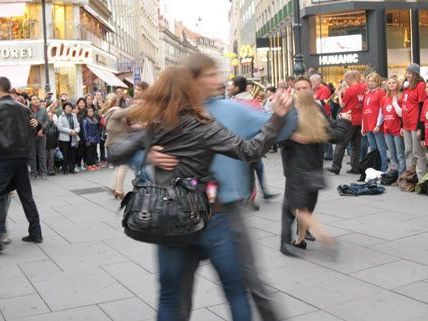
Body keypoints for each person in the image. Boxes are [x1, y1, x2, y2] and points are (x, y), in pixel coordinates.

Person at [127, 66, 293, 321]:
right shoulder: (184, 120)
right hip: (194, 215)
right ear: (192, 83)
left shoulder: (225, 111)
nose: (218, 80)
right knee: (203, 293)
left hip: (202, 213)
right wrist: (146, 156)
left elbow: (117, 148)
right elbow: (250, 149)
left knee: (235, 286)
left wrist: (286, 113)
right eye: (209, 75)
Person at [280, 77, 351, 252]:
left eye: (306, 88)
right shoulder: (288, 111)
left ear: (312, 89)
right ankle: (291, 241)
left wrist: (342, 121)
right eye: (298, 88)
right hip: (295, 166)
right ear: (293, 90)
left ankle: (302, 238)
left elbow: (332, 134)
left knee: (307, 206)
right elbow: (274, 134)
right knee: (294, 206)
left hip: (313, 164)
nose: (302, 91)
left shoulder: (317, 108)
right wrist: (292, 136)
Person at [0, 76, 43, 245]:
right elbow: (35, 130)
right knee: (26, 196)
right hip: (22, 156)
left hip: (4, 156)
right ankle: (36, 232)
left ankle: (1, 233)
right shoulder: (23, 108)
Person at [326, 70, 366, 175]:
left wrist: (339, 94)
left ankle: (336, 166)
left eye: (345, 79)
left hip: (348, 119)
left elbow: (342, 105)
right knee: (356, 145)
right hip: (359, 119)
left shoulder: (351, 90)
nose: (345, 81)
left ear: (349, 79)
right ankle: (355, 167)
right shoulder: (363, 87)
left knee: (341, 142)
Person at [401, 64, 427, 182]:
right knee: (408, 151)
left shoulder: (420, 86)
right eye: (407, 73)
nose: (408, 75)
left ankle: (421, 179)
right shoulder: (406, 87)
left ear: (416, 74)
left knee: (418, 152)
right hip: (406, 124)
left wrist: (419, 127)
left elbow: (422, 107)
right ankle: (410, 177)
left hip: (414, 124)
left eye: (410, 73)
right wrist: (402, 125)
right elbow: (404, 106)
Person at [379, 76, 406, 174]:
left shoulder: (401, 97)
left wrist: (395, 103)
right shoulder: (384, 99)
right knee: (392, 155)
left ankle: (401, 175)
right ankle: (394, 174)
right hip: (387, 130)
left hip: (397, 129)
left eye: (393, 82)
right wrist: (378, 125)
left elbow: (403, 114)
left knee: (400, 154)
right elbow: (382, 114)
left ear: (397, 84)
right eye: (389, 83)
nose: (391, 84)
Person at [362, 73, 388, 172]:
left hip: (377, 125)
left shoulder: (381, 92)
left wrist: (378, 124)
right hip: (368, 125)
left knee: (381, 148)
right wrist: (363, 126)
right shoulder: (367, 93)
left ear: (377, 81)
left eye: (372, 80)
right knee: (373, 148)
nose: (370, 82)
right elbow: (364, 110)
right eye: (369, 80)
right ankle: (375, 168)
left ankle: (383, 169)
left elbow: (382, 109)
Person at [57, 102, 80, 175]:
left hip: (73, 137)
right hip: (64, 138)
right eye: (67, 107)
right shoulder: (61, 117)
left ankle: (72, 168)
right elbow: (60, 128)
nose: (69, 109)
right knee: (65, 154)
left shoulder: (74, 116)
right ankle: (65, 169)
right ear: (64, 109)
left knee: (72, 153)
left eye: (70, 107)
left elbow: (77, 125)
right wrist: (70, 131)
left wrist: (76, 131)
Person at [29, 95, 49, 178]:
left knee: (42, 155)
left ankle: (43, 172)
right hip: (31, 136)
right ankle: (33, 173)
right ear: (30, 102)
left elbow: (47, 122)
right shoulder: (27, 111)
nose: (36, 100)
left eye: (37, 99)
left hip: (42, 135)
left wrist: (42, 129)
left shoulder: (44, 110)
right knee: (32, 156)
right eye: (34, 99)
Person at [83, 107, 101, 171]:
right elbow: (85, 131)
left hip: (95, 138)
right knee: (89, 153)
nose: (91, 113)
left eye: (92, 111)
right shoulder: (85, 120)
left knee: (94, 152)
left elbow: (97, 130)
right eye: (90, 111)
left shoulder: (94, 119)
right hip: (89, 138)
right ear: (87, 113)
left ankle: (93, 163)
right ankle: (89, 164)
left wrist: (97, 137)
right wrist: (87, 139)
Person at [75, 98, 88, 172]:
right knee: (77, 150)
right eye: (80, 103)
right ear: (78, 104)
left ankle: (81, 164)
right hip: (77, 133)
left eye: (83, 102)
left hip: (84, 133)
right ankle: (77, 164)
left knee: (82, 150)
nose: (82, 104)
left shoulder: (86, 111)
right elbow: (78, 121)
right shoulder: (77, 113)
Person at [45, 111, 60, 176]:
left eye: (51, 115)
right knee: (45, 158)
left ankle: (51, 170)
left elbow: (57, 135)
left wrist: (57, 143)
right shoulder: (44, 125)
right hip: (45, 144)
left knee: (51, 158)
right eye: (48, 116)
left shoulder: (55, 125)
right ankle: (44, 170)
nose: (50, 117)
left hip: (52, 144)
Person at [420, 82, 428, 150]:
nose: (425, 89)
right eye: (425, 87)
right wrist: (422, 138)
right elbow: (423, 121)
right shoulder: (426, 102)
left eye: (427, 87)